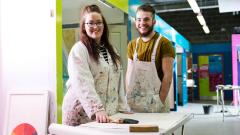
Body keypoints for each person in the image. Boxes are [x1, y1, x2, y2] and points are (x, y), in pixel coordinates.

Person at [62, 4, 129, 126]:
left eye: (99, 22)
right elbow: (83, 82)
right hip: (81, 114)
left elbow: (118, 82)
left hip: (105, 115)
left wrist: (123, 106)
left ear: (104, 25)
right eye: (90, 23)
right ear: (84, 26)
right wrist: (97, 109)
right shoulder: (79, 49)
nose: (95, 26)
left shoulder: (112, 50)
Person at [125, 4, 175, 113]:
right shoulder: (132, 45)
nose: (142, 23)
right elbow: (129, 73)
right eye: (139, 20)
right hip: (136, 101)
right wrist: (128, 98)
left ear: (153, 22)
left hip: (157, 100)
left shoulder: (164, 43)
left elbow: (168, 76)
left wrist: (160, 102)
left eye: (146, 19)